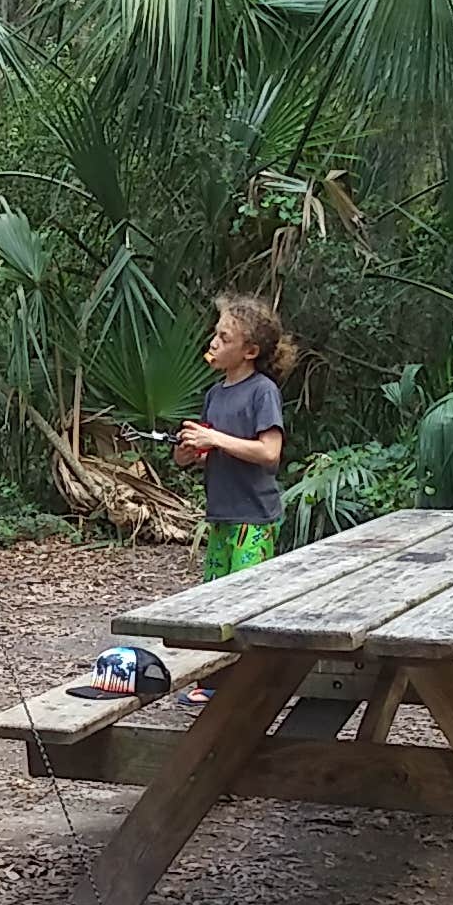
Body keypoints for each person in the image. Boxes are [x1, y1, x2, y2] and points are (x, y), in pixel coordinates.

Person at [174, 293, 294, 702]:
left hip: (254, 518)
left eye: (224, 338)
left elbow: (269, 453)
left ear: (249, 351)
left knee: (248, 604)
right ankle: (215, 681)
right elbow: (203, 453)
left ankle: (253, 687)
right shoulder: (215, 394)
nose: (213, 342)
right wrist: (190, 451)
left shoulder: (263, 393)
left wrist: (216, 439)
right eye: (216, 334)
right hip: (221, 514)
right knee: (214, 600)